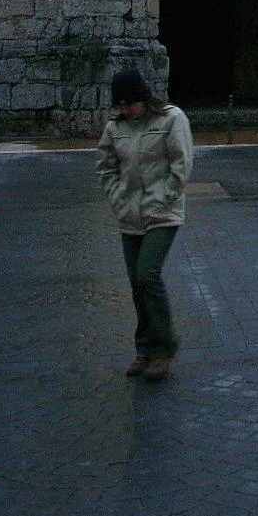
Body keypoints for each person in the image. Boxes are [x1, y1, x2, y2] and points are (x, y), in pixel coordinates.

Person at [97, 67, 193, 381]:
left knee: (147, 274)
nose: (124, 110)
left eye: (128, 104)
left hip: (163, 213)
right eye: (119, 106)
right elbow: (107, 166)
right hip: (130, 215)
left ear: (142, 97)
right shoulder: (115, 128)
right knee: (136, 285)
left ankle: (164, 347)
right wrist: (117, 197)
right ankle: (144, 350)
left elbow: (182, 162)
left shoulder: (172, 119)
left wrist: (165, 195)